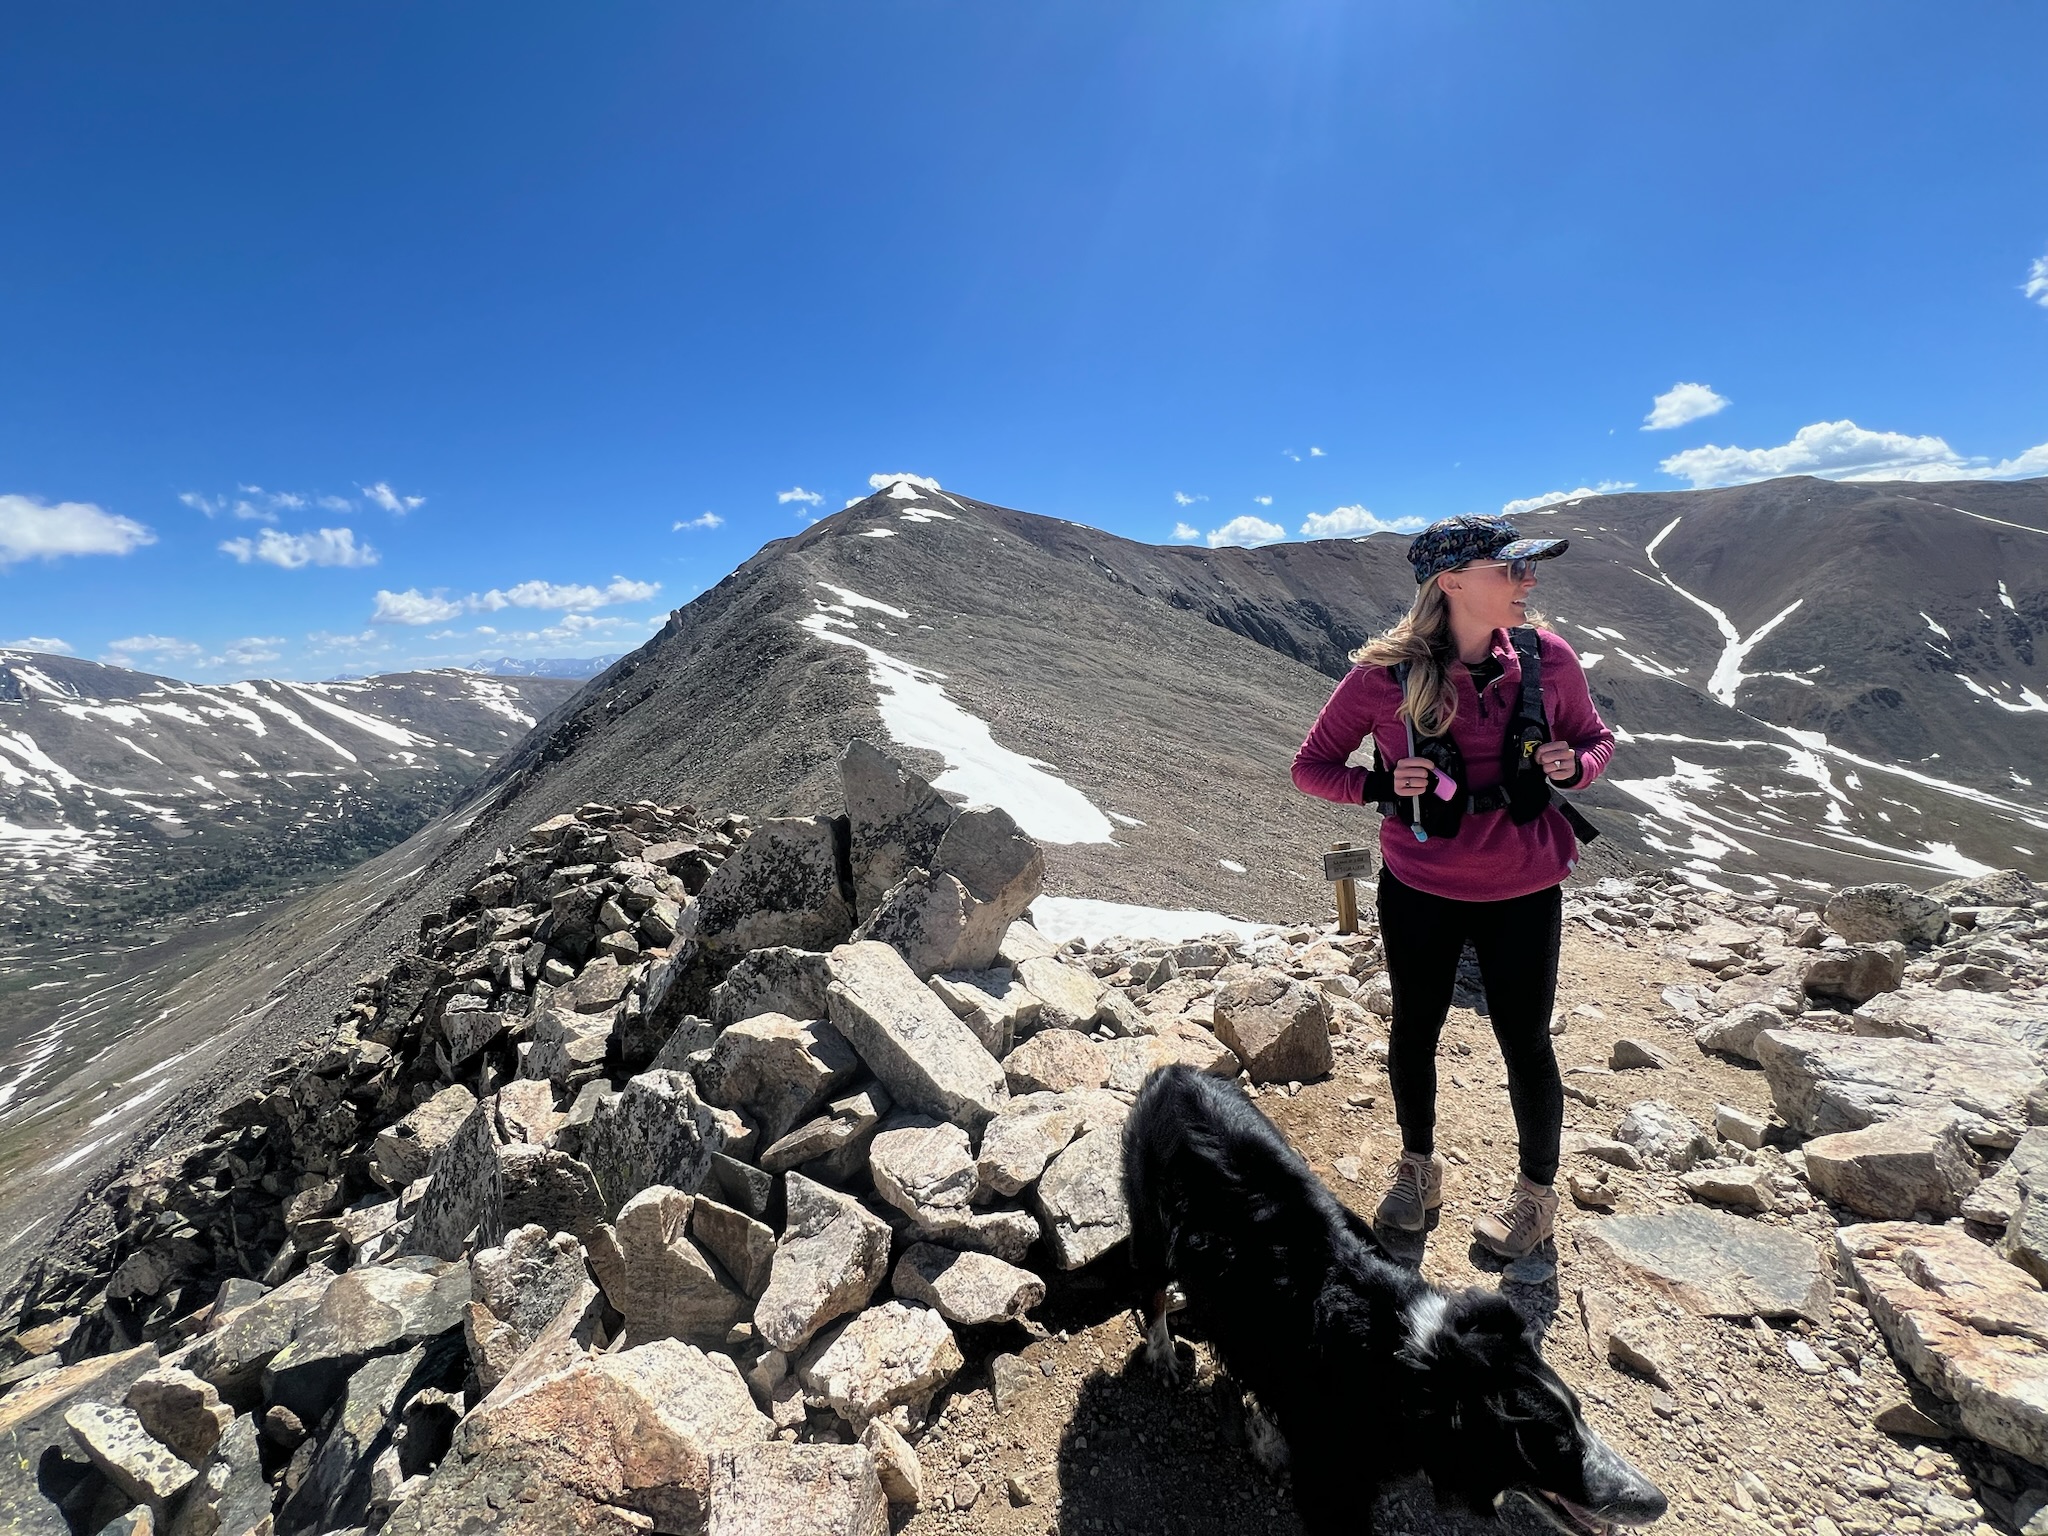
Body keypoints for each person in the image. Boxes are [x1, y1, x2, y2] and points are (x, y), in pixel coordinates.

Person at [1291, 513, 1615, 1261]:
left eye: (1528, 569)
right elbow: (1311, 767)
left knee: (1526, 1043)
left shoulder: (1549, 660)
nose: (1528, 581)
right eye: (1512, 569)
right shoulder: (1381, 676)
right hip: (1420, 886)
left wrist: (1579, 767)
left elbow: (1597, 741)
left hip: (1525, 887)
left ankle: (1536, 1198)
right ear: (1453, 582)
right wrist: (1378, 782)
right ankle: (1418, 1166)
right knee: (1414, 1029)